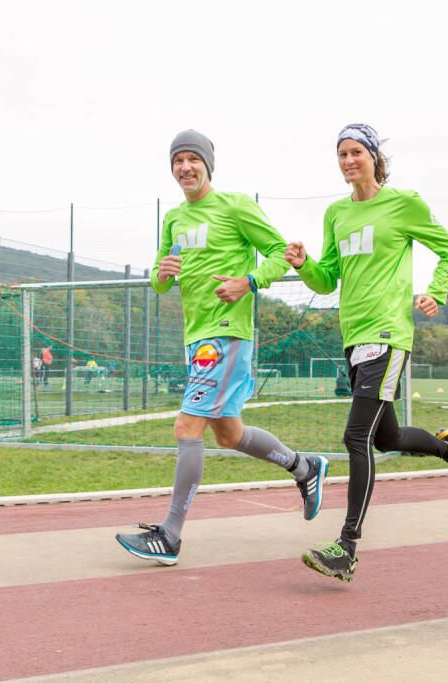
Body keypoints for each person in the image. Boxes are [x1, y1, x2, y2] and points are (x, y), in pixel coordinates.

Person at [115, 129, 329, 566]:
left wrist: (248, 282)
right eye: (178, 161)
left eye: (193, 159)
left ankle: (170, 536)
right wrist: (162, 273)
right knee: (228, 434)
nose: (185, 167)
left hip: (226, 333)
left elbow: (279, 252)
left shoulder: (235, 206)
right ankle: (304, 467)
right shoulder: (174, 219)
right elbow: (159, 281)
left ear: (208, 165)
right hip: (196, 336)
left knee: (186, 426)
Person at [284, 123, 448, 582]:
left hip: (389, 335)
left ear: (374, 157)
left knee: (355, 438)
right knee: (386, 438)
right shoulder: (336, 213)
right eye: (342, 154)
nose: (348, 161)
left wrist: (436, 292)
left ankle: (347, 547)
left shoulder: (403, 203)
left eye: (356, 152)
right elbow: (327, 280)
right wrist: (304, 264)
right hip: (353, 337)